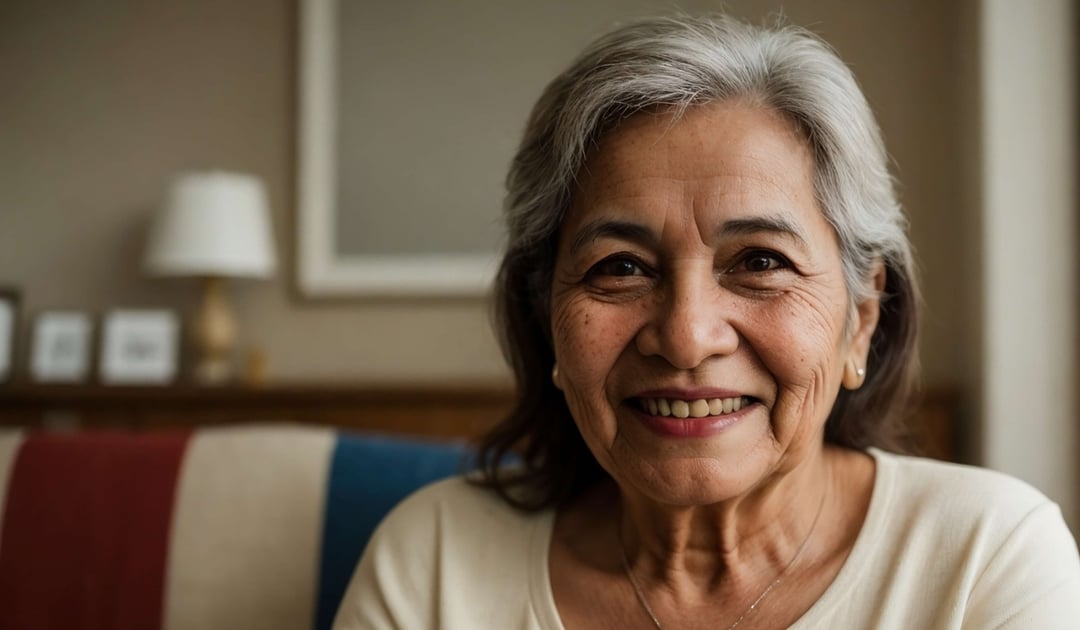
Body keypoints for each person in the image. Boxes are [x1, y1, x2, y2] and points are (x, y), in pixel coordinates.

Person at [334, 14, 1080, 629]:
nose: (687, 336)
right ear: (546, 321)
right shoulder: (432, 563)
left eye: (760, 262)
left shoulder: (986, 557)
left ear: (860, 319)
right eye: (620, 267)